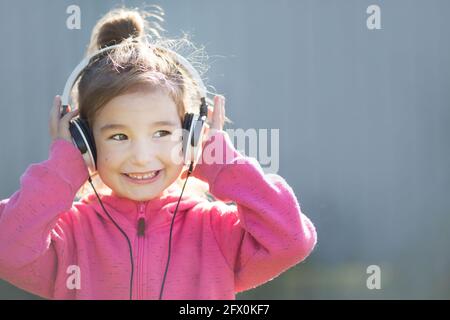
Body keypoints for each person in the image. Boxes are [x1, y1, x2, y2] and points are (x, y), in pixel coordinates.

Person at [0, 6, 317, 300]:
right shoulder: (69, 237)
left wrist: (223, 164)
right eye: (120, 136)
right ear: (86, 142)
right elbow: (7, 249)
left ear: (192, 136)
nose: (141, 156)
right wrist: (62, 168)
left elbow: (291, 241)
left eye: (162, 133)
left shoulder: (216, 232)